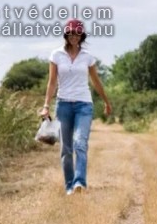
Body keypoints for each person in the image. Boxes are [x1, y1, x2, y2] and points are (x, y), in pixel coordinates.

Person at [40, 19, 112, 195]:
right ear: (66, 34)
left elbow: (96, 81)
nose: (74, 36)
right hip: (63, 104)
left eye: (77, 33)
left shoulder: (87, 57)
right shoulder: (56, 55)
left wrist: (106, 101)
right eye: (71, 33)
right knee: (66, 148)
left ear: (81, 35)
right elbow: (52, 83)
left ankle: (80, 182)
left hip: (84, 105)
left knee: (80, 142)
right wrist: (46, 105)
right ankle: (69, 185)